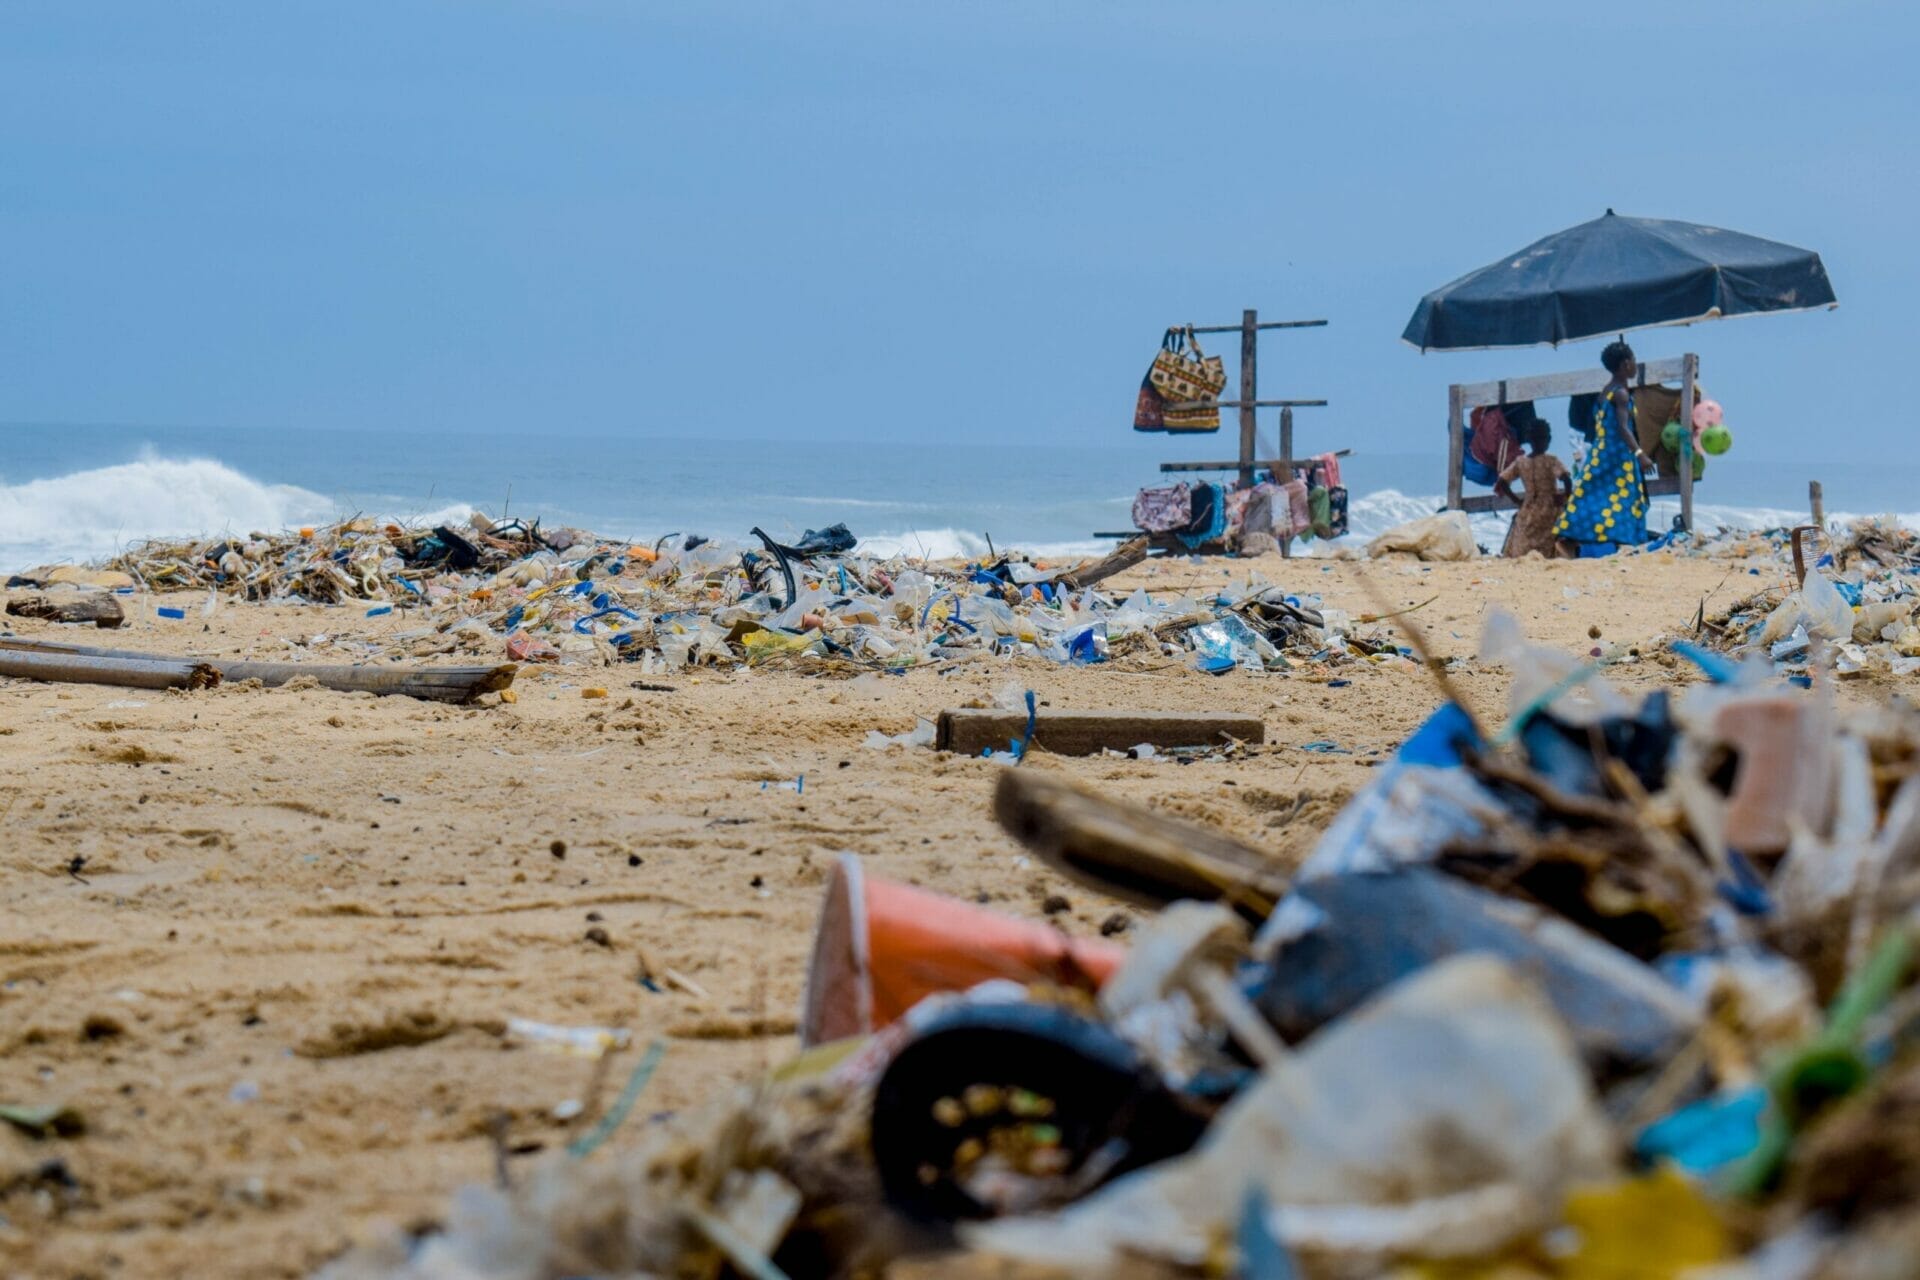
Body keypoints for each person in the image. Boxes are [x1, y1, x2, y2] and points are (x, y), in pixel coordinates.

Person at [1553, 340, 1652, 554]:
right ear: (1626, 363)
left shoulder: (1605, 392)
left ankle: (1572, 538)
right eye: (1634, 360)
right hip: (1618, 456)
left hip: (1602, 453)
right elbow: (1624, 428)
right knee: (1624, 499)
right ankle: (1624, 544)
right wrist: (1640, 454)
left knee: (1594, 495)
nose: (1635, 364)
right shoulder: (1621, 394)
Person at [1497, 420, 1570, 557]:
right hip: (1550, 506)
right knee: (1551, 539)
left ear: (1529, 439)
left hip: (1528, 506)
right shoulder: (1551, 460)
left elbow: (1502, 481)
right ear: (1548, 439)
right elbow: (1566, 478)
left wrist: (1517, 500)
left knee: (1524, 539)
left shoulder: (1521, 462)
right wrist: (1566, 496)